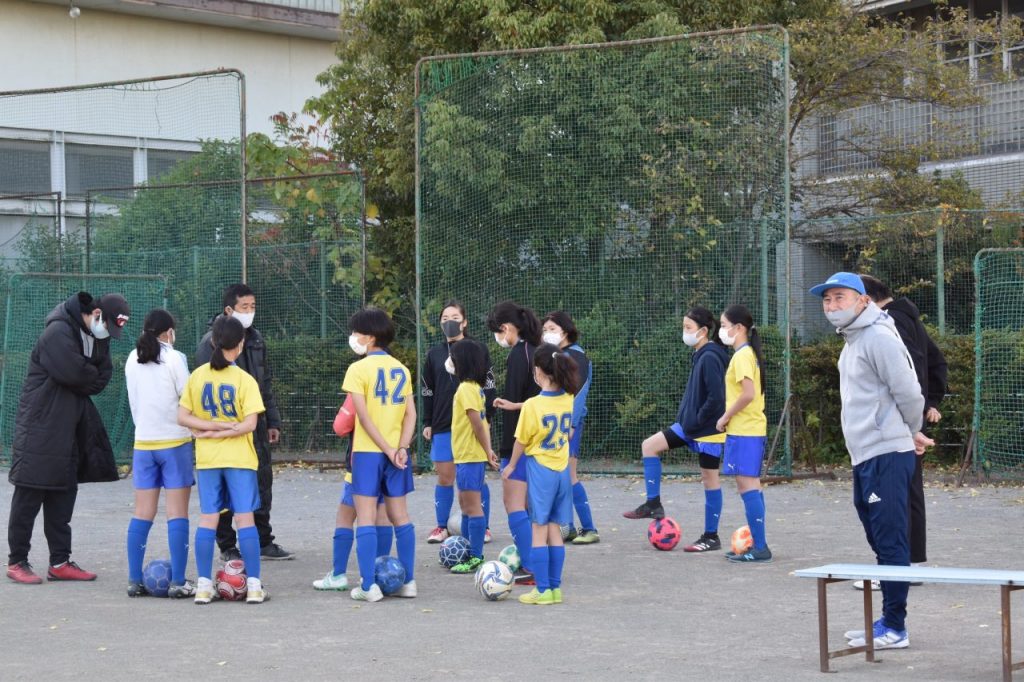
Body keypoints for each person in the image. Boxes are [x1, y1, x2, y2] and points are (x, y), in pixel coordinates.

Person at [810, 272, 934, 650]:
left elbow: (909, 392)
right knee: (877, 534)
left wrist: (908, 430)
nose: (832, 306)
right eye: (827, 300)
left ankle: (896, 628)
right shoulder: (854, 339)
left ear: (863, 300)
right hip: (865, 454)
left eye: (840, 298)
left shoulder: (878, 336)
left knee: (892, 539)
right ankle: (887, 621)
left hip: (886, 452)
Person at [7, 291, 130, 584]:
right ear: (96, 313)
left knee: (63, 494)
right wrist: (88, 374)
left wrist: (89, 369)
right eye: (107, 327)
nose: (108, 336)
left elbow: (102, 379)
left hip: (70, 426)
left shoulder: (98, 337)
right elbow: (76, 375)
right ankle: (17, 561)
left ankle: (59, 561)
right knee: (29, 493)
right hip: (41, 426)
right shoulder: (58, 330)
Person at [859, 274, 947, 590]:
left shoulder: (890, 324)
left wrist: (913, 419)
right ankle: (905, 564)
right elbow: (935, 360)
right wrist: (931, 402)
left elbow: (906, 376)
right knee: (906, 490)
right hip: (906, 420)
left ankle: (899, 568)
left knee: (895, 493)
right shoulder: (906, 317)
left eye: (845, 297)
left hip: (897, 424)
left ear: (865, 299)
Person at [622, 307, 729, 554]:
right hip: (689, 426)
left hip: (707, 431)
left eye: (688, 328)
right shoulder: (700, 354)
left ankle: (711, 536)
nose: (685, 332)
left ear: (703, 331)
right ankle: (653, 504)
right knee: (649, 446)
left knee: (710, 480)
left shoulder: (711, 357)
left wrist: (699, 420)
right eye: (684, 327)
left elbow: (717, 398)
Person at [196, 284, 291, 561]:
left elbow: (266, 385)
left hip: (255, 425)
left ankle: (263, 540)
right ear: (229, 310)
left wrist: (272, 421)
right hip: (225, 433)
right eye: (244, 307)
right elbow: (203, 393)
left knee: (262, 481)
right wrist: (215, 428)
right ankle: (228, 546)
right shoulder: (209, 344)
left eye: (253, 307)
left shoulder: (257, 340)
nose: (250, 312)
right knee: (223, 491)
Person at [179, 316, 268, 604]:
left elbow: (182, 417)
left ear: (214, 342)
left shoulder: (198, 376)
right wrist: (227, 428)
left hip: (208, 459)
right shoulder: (245, 380)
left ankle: (204, 586)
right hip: (240, 458)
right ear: (240, 345)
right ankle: (253, 586)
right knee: (245, 520)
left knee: (208, 519)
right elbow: (250, 424)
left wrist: (208, 428)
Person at [342, 308, 418, 602]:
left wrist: (387, 449)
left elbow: (363, 418)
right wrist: (401, 447)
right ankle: (409, 582)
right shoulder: (402, 368)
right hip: (397, 454)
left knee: (366, 518)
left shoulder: (358, 369)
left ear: (370, 337)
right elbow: (410, 414)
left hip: (368, 454)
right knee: (401, 517)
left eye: (356, 332)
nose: (353, 337)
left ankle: (368, 585)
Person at [124, 309, 194, 598]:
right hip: (174, 443)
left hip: (143, 445)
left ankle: (133, 580)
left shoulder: (131, 358)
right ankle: (179, 581)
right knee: (177, 513)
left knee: (142, 513)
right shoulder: (175, 359)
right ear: (169, 332)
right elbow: (187, 399)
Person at [503, 343, 580, 605]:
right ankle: (555, 589)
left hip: (541, 472)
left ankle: (542, 589)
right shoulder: (568, 399)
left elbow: (520, 442)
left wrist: (512, 466)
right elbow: (569, 431)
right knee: (555, 530)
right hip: (561, 471)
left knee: (538, 529)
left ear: (538, 371)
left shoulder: (532, 407)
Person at [420, 301, 496, 544]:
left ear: (464, 322)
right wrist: (428, 421)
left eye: (454, 317)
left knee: (475, 479)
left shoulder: (478, 349)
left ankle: (482, 527)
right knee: (445, 477)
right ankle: (441, 527)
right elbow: (427, 390)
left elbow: (490, 385)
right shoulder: (434, 354)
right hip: (443, 425)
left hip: (472, 426)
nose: (449, 321)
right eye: (444, 318)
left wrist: (488, 419)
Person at [311, 393, 393, 591]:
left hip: (363, 460)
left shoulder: (360, 382)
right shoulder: (395, 376)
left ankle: (338, 574)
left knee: (346, 517)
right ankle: (380, 574)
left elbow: (340, 426)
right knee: (382, 517)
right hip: (389, 458)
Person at [486, 301, 542, 583]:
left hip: (521, 442)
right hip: (542, 442)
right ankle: (537, 562)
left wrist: (507, 449)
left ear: (506, 328)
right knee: (533, 507)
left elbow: (520, 405)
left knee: (514, 503)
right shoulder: (538, 351)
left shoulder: (520, 356)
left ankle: (531, 567)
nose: (498, 338)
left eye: (497, 332)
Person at [717, 304, 772, 563]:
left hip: (745, 429)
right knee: (749, 485)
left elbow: (748, 394)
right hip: (748, 428)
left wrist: (725, 416)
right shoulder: (745, 354)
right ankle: (758, 544)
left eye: (724, 325)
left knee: (747, 485)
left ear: (739, 328)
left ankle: (760, 547)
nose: (721, 331)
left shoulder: (741, 356)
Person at [541, 311, 599, 544]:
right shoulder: (558, 355)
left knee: (570, 475)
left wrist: (571, 424)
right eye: (545, 329)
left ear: (565, 331)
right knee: (560, 476)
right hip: (557, 423)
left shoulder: (576, 357)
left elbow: (579, 393)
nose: (547, 333)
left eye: (552, 329)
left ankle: (590, 528)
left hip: (568, 424)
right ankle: (570, 527)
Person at [447, 339, 500, 574]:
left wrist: (486, 450)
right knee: (466, 505)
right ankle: (468, 551)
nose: (450, 362)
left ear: (462, 362)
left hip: (469, 456)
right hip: (468, 456)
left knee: (472, 507)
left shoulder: (466, 389)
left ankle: (475, 557)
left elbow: (478, 424)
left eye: (454, 358)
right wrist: (487, 450)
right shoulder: (474, 388)